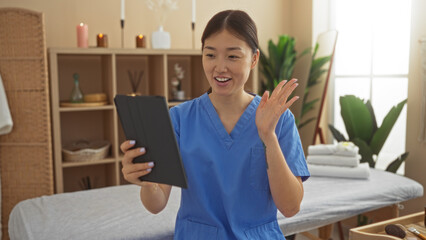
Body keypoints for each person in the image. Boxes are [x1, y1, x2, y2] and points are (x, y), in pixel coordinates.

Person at [120, 9, 310, 240]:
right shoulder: (179, 119)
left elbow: (290, 208)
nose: (220, 67)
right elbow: (156, 204)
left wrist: (267, 135)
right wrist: (146, 182)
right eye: (210, 55)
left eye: (232, 56)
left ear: (254, 58)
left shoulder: (279, 119)